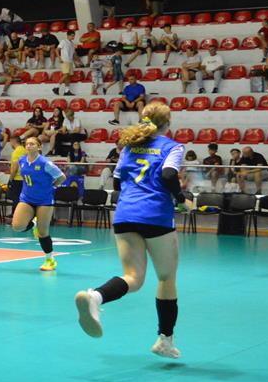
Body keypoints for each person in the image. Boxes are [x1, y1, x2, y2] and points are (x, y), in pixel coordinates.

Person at [74, 102, 189, 358]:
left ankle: (95, 297)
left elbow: (117, 181)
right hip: (156, 216)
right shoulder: (172, 147)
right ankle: (165, 340)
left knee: (133, 277)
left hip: (125, 214)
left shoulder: (129, 146)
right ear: (167, 123)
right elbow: (169, 175)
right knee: (166, 278)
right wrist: (181, 199)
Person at [10, 137, 67, 271]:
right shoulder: (22, 160)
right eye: (27, 144)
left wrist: (52, 187)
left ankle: (50, 259)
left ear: (39, 147)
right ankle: (33, 223)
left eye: (32, 144)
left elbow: (62, 177)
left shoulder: (45, 163)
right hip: (27, 198)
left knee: (43, 233)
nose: (29, 146)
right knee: (17, 226)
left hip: (44, 200)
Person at [51, 30, 77, 95]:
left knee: (68, 76)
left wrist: (76, 61)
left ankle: (66, 90)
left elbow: (73, 54)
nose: (73, 37)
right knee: (66, 74)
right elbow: (57, 50)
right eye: (72, 36)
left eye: (74, 36)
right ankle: (56, 87)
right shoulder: (63, 41)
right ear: (68, 35)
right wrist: (59, 58)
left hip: (70, 61)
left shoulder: (72, 43)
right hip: (64, 60)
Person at [6, 135, 26, 203]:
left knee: (16, 200)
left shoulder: (16, 152)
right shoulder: (24, 150)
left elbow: (15, 169)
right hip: (25, 178)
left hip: (18, 179)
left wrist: (10, 180)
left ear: (13, 141)